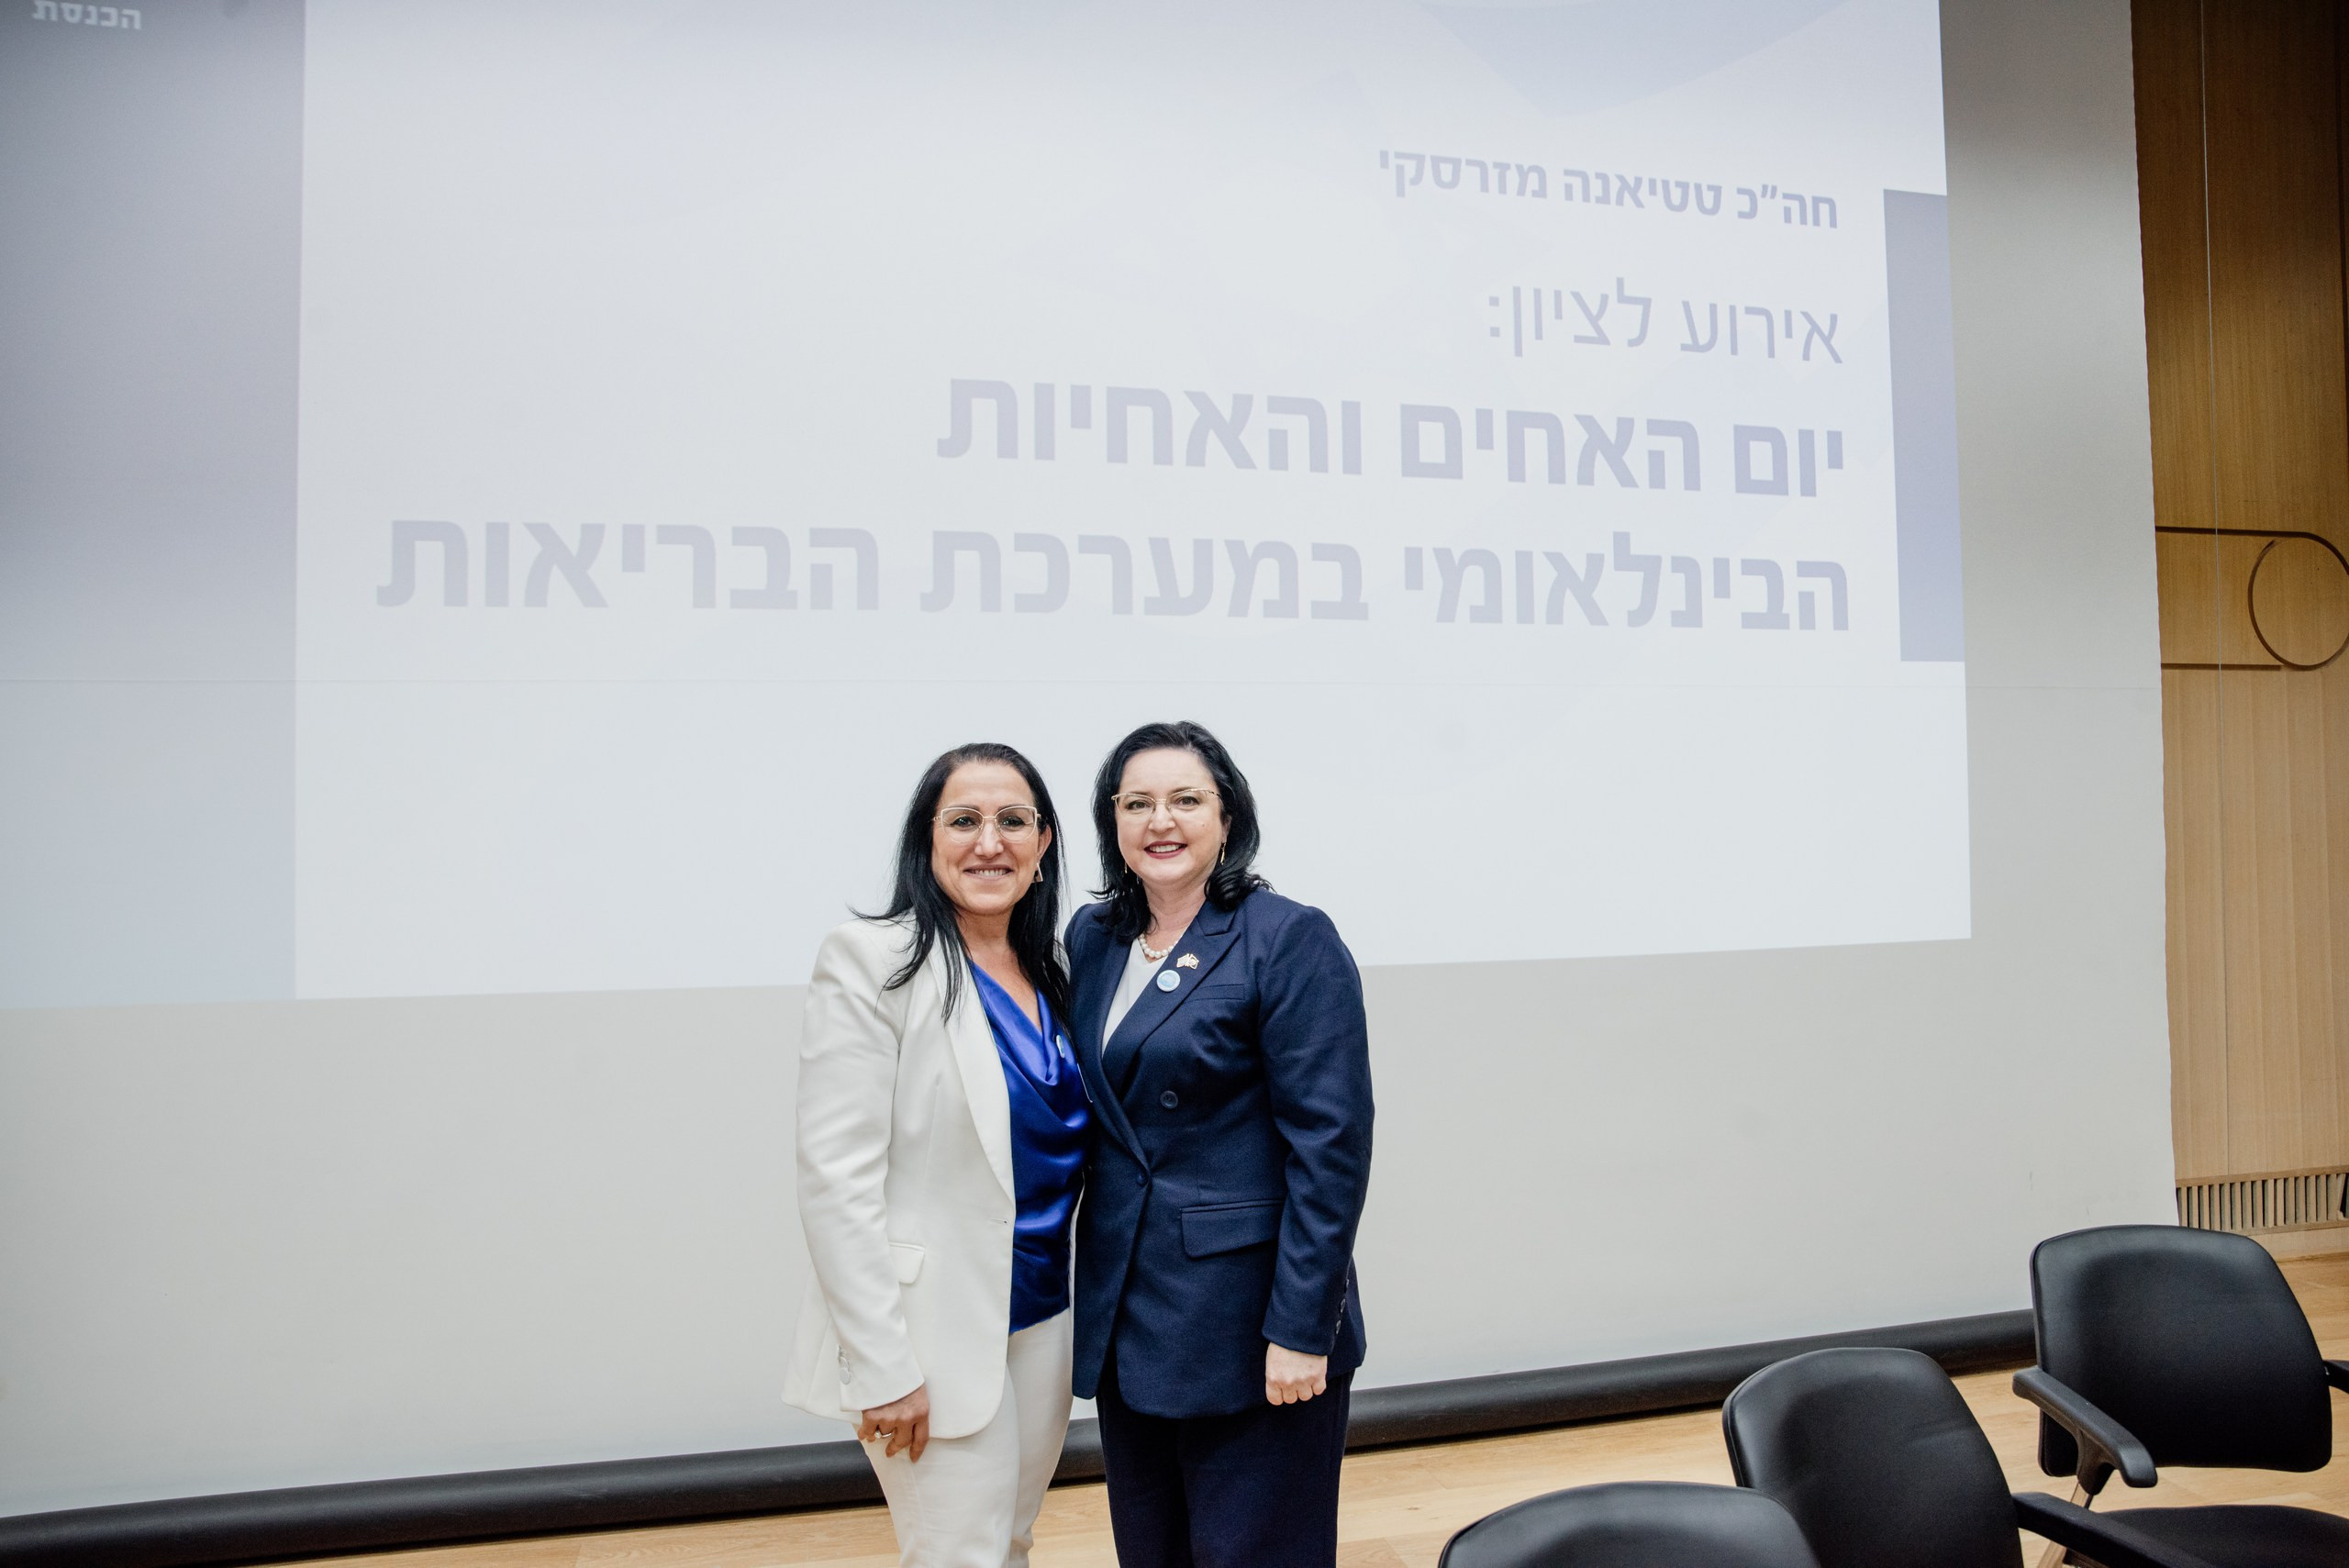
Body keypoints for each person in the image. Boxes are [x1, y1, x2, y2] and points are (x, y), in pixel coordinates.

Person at [1065, 720, 1375, 1568]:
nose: (1160, 820)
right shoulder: (1093, 940)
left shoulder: (1285, 937)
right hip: (1133, 1319)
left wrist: (1303, 1327)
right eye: (1136, 803)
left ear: (1228, 817)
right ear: (1113, 825)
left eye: (1185, 799)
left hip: (1250, 1330)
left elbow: (1332, 1147)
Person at [785, 742, 1089, 1568]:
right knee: (962, 1556)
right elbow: (835, 1180)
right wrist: (882, 1365)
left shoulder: (1054, 967)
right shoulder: (871, 961)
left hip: (1042, 1320)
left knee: (1009, 1542)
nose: (989, 841)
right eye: (964, 820)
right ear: (927, 840)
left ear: (1045, 842)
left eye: (1012, 820)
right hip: (929, 1334)